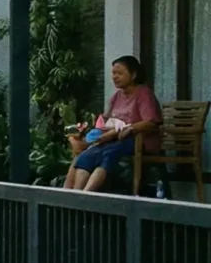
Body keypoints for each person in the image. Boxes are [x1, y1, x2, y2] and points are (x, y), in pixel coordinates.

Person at [65, 55, 162, 193]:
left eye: (120, 73)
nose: (115, 77)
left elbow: (152, 122)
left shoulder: (144, 94)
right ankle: (74, 194)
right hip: (114, 140)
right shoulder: (116, 97)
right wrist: (96, 134)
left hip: (137, 141)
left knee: (108, 154)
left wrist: (130, 128)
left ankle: (86, 193)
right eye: (113, 73)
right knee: (87, 155)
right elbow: (107, 121)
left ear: (133, 74)